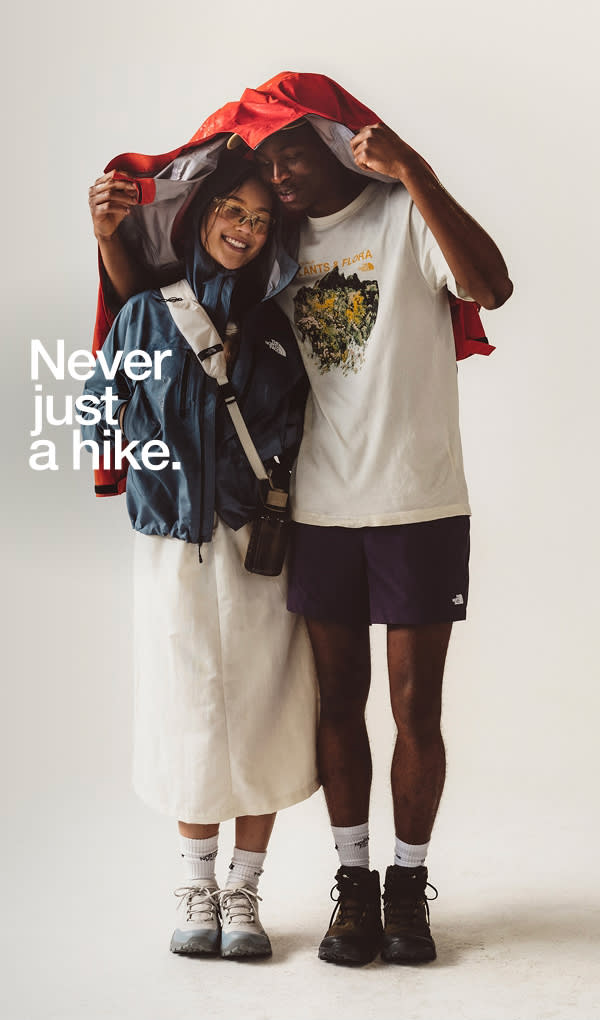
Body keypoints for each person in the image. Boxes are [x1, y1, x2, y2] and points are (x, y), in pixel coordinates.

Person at [88, 71, 513, 967]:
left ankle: (407, 887)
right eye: (265, 163)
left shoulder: (401, 215)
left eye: (291, 155)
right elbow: (166, 305)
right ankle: (353, 887)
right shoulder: (276, 254)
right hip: (313, 511)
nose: (278, 177)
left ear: (331, 142)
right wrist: (110, 235)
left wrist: (416, 170)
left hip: (418, 499)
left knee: (416, 706)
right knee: (333, 707)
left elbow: (491, 285)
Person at [82, 157, 319, 960]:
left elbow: (299, 433)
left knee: (264, 707)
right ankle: (195, 885)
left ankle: (244, 891)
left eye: (260, 219)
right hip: (171, 545)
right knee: (186, 709)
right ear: (202, 213)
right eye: (232, 210)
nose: (244, 229)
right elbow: (97, 411)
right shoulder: (145, 315)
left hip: (257, 545)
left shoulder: (278, 328)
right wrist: (157, 458)